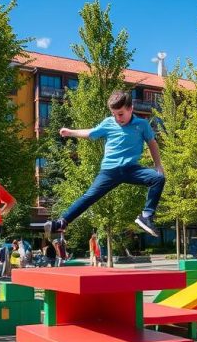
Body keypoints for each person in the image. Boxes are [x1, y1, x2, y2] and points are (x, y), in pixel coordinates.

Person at [42, 90, 165, 239]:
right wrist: (70, 132)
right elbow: (91, 133)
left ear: (130, 109)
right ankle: (62, 222)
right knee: (90, 196)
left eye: (120, 114)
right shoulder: (108, 123)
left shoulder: (142, 124)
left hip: (132, 169)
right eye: (114, 114)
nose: (117, 118)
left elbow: (152, 143)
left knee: (158, 178)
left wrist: (158, 165)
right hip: (110, 170)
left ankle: (146, 216)